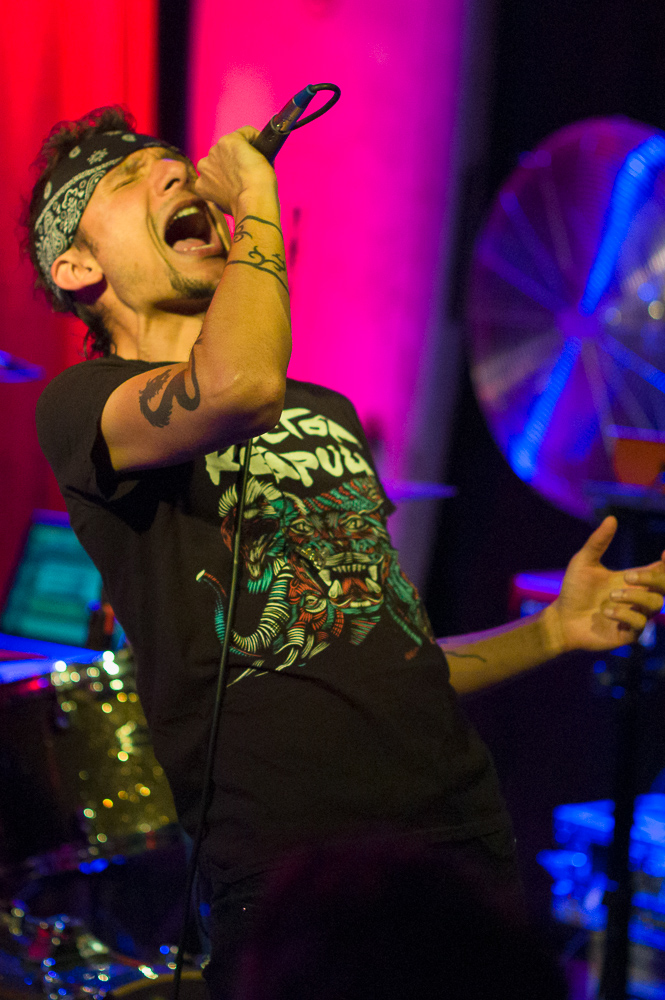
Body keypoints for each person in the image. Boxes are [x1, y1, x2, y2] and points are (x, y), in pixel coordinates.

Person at [29, 106, 665, 997]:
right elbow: (238, 386)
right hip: (295, 870)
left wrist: (551, 631)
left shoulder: (322, 411)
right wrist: (257, 198)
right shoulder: (84, 405)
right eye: (131, 178)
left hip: (457, 838)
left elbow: (383, 649)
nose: (173, 173)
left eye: (172, 160)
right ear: (76, 266)